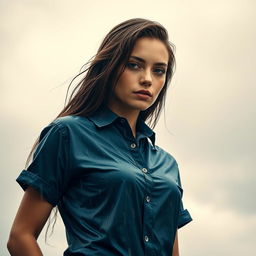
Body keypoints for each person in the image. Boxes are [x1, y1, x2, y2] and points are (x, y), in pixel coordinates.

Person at [7, 18, 192, 256]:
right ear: (110, 66)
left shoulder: (167, 165)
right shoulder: (68, 134)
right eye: (134, 65)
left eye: (159, 70)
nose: (147, 78)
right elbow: (20, 237)